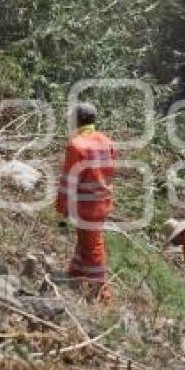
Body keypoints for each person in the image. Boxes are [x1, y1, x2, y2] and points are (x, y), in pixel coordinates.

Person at [56, 103, 117, 302]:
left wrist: (61, 208)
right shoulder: (107, 142)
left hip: (86, 204)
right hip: (103, 201)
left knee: (93, 245)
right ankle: (76, 274)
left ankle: (102, 292)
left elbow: (69, 180)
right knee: (85, 239)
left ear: (77, 120)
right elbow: (110, 171)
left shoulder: (76, 145)